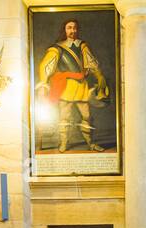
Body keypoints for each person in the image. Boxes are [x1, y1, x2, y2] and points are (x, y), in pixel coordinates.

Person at [36, 19, 110, 152]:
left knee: (87, 116)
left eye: (74, 28)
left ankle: (90, 143)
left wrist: (99, 76)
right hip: (66, 86)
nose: (72, 30)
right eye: (69, 28)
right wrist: (43, 84)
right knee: (65, 116)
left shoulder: (82, 45)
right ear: (64, 30)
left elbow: (91, 62)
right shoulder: (57, 48)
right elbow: (46, 66)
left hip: (81, 85)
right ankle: (64, 143)